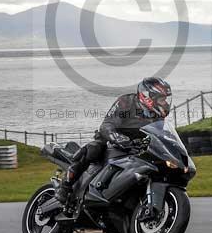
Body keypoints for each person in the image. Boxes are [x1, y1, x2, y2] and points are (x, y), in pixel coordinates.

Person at [55, 76, 172, 204]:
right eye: (161, 99)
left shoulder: (157, 115)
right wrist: (118, 138)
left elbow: (158, 134)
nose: (165, 103)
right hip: (109, 141)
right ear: (148, 97)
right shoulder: (126, 102)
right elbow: (107, 124)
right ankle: (65, 186)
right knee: (94, 149)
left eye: (165, 99)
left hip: (134, 148)